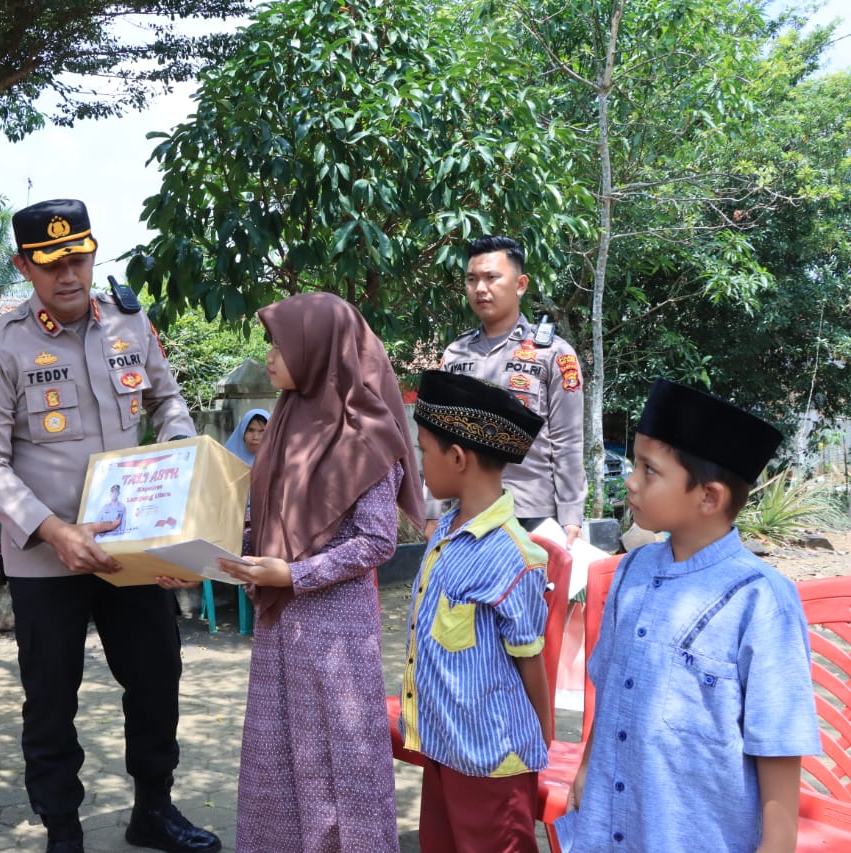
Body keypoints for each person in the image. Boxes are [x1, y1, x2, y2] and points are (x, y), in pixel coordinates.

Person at [0, 199, 220, 853]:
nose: (68, 274)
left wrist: (179, 467)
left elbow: (166, 400)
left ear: (93, 252)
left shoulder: (130, 323)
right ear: (23, 266)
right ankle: (63, 831)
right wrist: (53, 530)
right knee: (51, 699)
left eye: (78, 257)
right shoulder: (0, 348)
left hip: (133, 551)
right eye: (51, 264)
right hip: (49, 559)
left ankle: (154, 809)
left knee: (157, 675)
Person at [559, 379, 820, 852]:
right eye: (635, 464)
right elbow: (615, 687)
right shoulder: (630, 572)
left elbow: (779, 750)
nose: (631, 481)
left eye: (649, 470)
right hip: (609, 827)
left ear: (709, 497)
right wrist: (583, 771)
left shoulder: (760, 601)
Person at [209, 292, 427, 852]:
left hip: (335, 631)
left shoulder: (368, 433)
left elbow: (377, 542)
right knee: (281, 758)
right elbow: (263, 528)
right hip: (281, 624)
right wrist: (204, 562)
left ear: (317, 348)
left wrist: (295, 575)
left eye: (278, 345)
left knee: (340, 766)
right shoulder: (283, 425)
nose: (270, 357)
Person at [399, 369, 551, 852]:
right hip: (446, 748)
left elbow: (532, 663)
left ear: (459, 457)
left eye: (424, 450)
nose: (421, 465)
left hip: (494, 764)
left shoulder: (514, 556)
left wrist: (540, 746)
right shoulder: (443, 533)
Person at [428, 235, 585, 545]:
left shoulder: (553, 353)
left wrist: (571, 515)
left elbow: (567, 440)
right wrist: (433, 511)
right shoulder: (455, 355)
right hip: (467, 512)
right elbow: (438, 439)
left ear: (520, 284)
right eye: (472, 279)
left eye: (491, 277)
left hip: (531, 514)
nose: (480, 288)